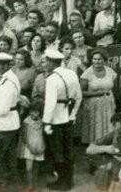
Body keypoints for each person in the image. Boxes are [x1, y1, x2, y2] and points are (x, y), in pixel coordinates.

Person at [42, 47, 82, 191]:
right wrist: (74, 114)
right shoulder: (71, 73)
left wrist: (47, 123)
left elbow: (50, 104)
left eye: (46, 60)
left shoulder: (51, 79)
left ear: (52, 63)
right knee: (68, 150)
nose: (44, 63)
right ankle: (68, 180)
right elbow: (78, 97)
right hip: (69, 118)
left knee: (58, 152)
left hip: (55, 120)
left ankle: (62, 182)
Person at [0, 52, 22, 188]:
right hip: (10, 123)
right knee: (9, 156)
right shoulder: (8, 78)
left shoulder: (7, 82)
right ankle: (10, 185)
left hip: (4, 125)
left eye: (1, 64)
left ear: (8, 65)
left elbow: (3, 110)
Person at [79, 48, 117, 144]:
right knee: (96, 125)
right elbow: (81, 92)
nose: (97, 61)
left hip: (108, 104)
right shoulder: (86, 74)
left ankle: (107, 141)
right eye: (94, 59)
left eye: (99, 59)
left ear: (104, 60)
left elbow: (114, 88)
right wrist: (96, 94)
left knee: (108, 123)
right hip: (93, 105)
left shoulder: (111, 72)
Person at [17, 100, 45, 190]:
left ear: (40, 113)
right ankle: (30, 185)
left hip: (39, 147)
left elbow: (43, 136)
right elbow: (24, 137)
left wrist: (43, 146)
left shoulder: (42, 122)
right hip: (29, 147)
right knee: (29, 167)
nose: (33, 114)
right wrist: (30, 147)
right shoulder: (26, 122)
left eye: (36, 112)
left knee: (36, 166)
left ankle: (35, 183)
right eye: (32, 111)